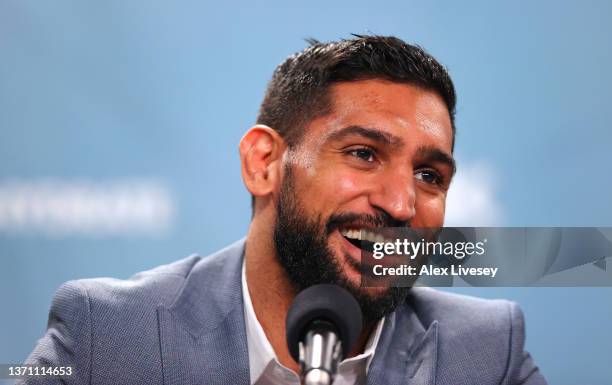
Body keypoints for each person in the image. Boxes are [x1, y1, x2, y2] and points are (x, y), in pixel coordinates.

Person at [21, 35, 547, 385]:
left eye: (429, 176)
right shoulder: (108, 336)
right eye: (364, 154)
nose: (401, 203)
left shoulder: (483, 353)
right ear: (264, 162)